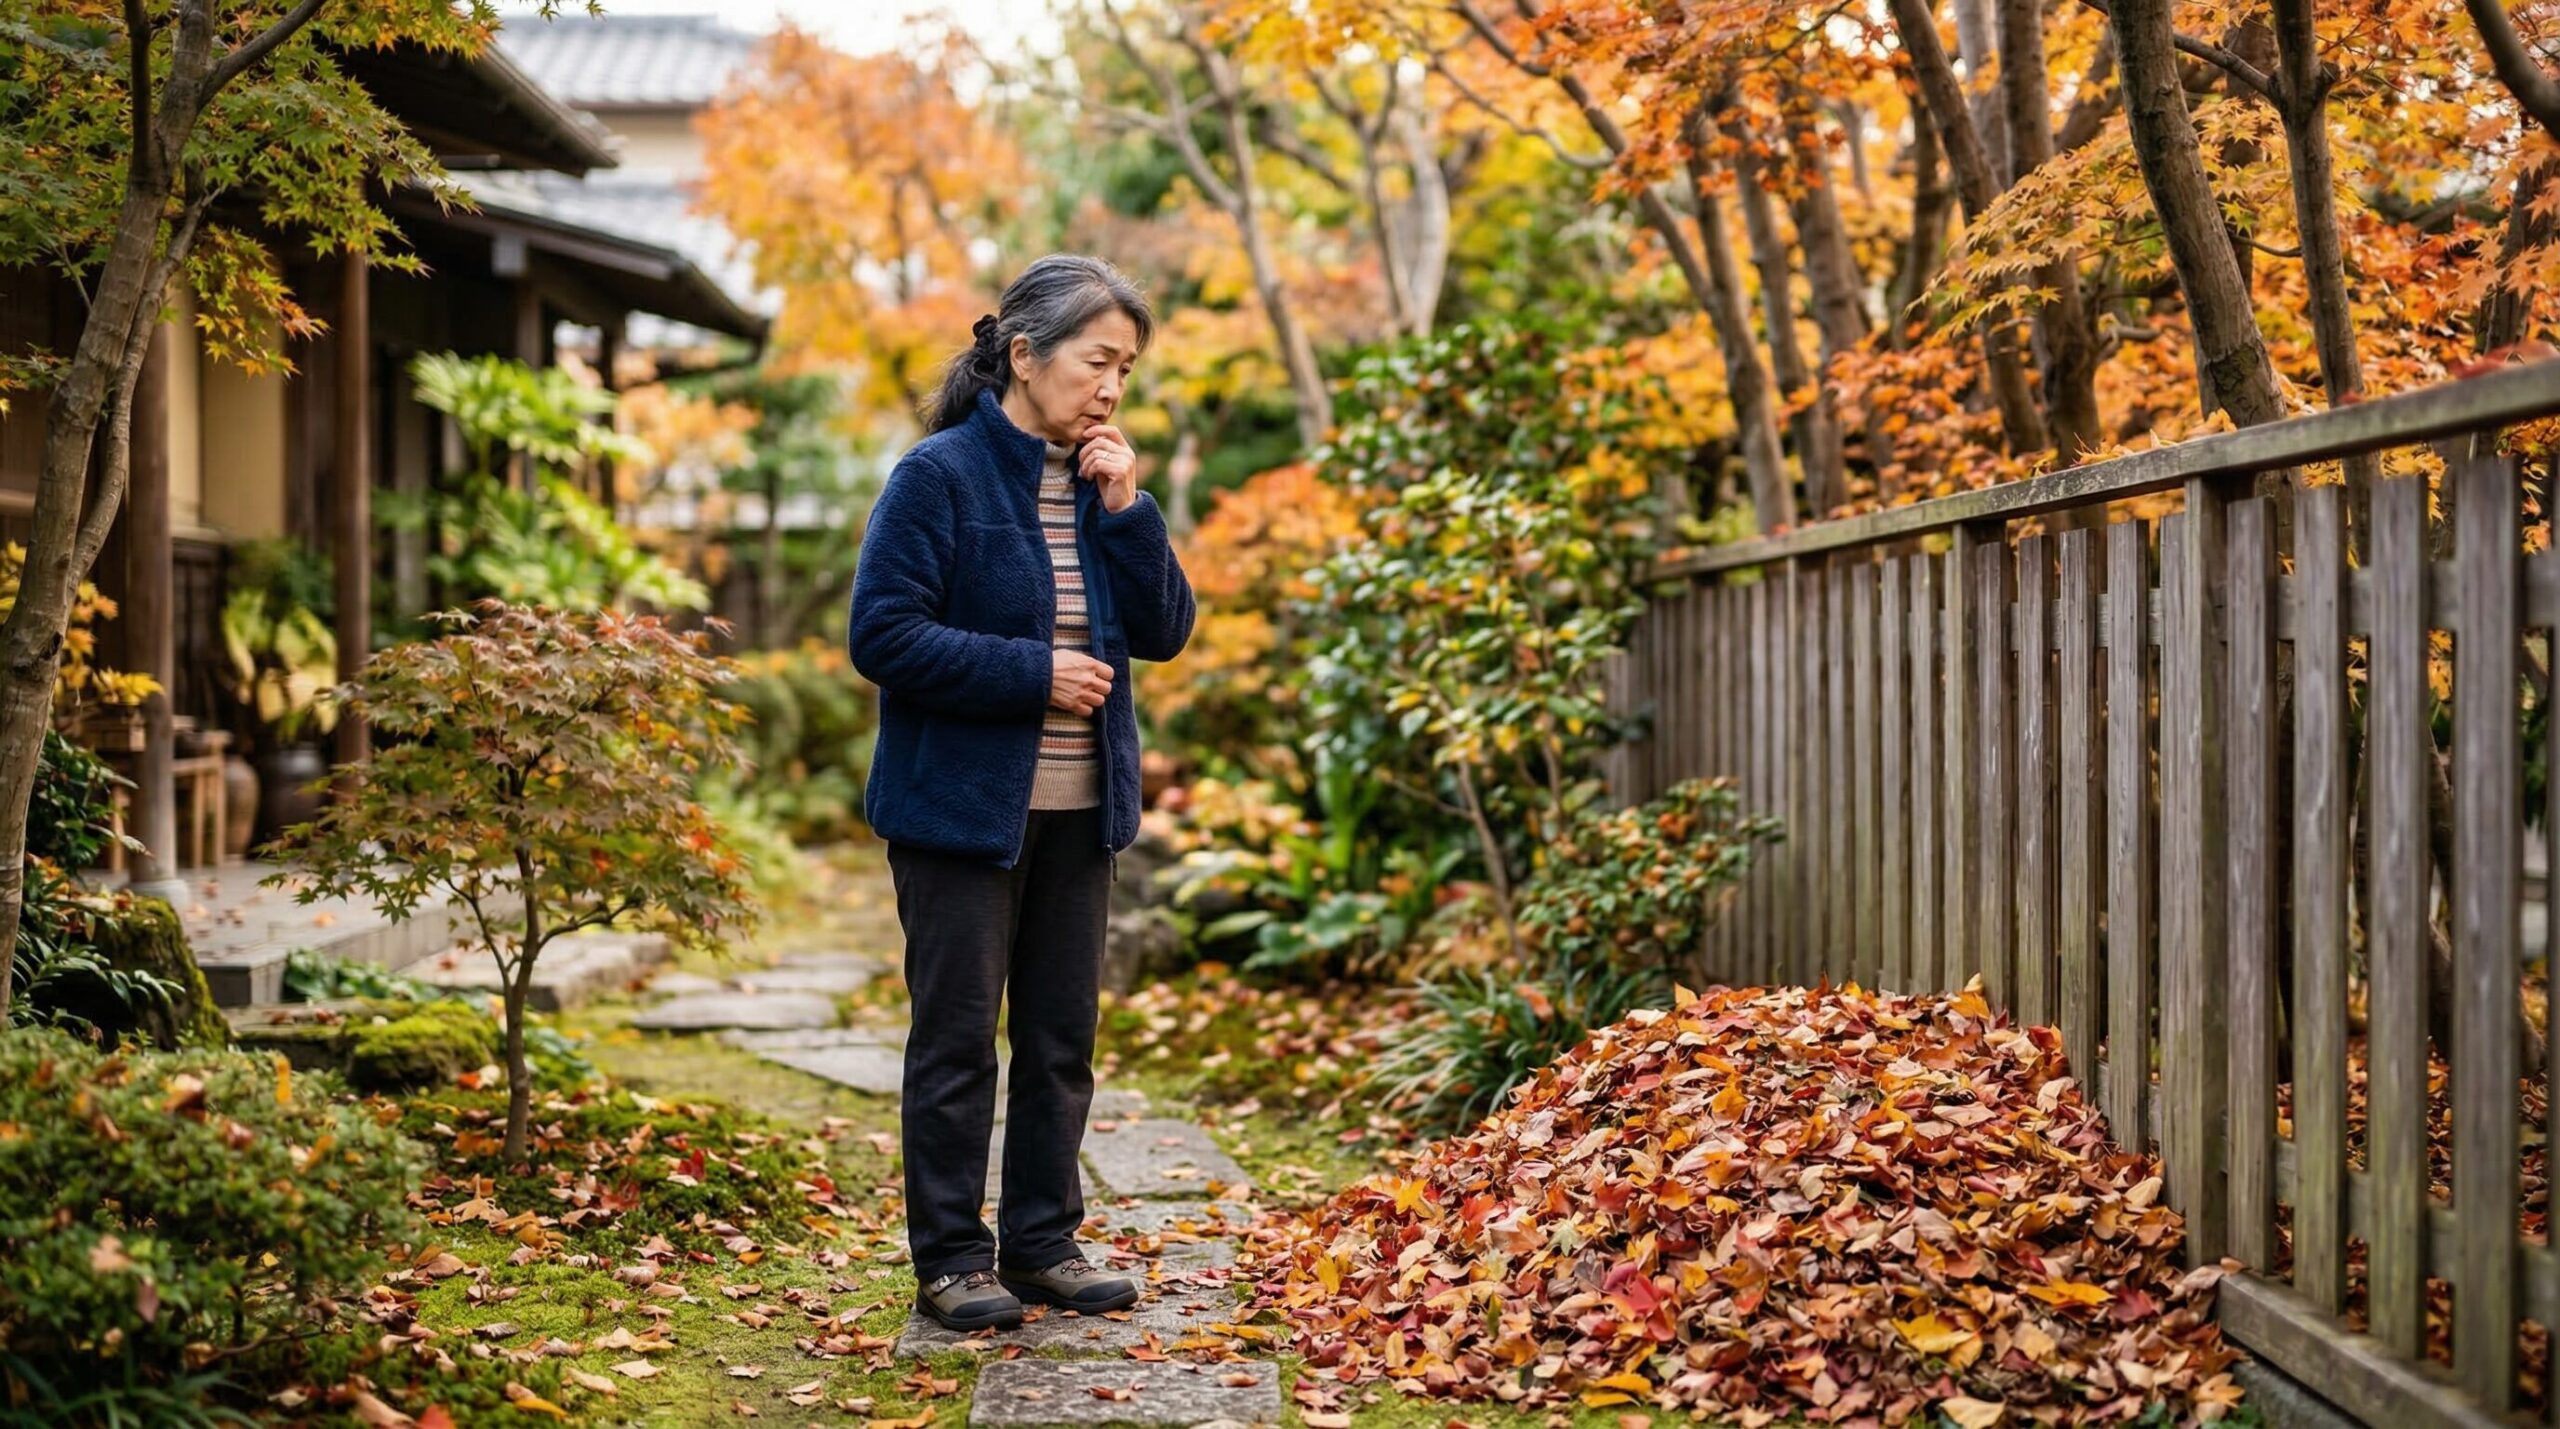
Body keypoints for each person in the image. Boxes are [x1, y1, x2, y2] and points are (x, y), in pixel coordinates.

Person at [848, 254, 1197, 1333]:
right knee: (956, 1041)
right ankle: (952, 1258)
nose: (1111, 387)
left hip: (1079, 809)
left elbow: (1167, 631)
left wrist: (1128, 506)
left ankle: (1042, 1242)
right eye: (1099, 361)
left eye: (1127, 370)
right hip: (958, 812)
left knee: (1058, 1039)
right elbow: (883, 635)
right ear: (1024, 355)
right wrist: (1033, 672)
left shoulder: (1102, 486)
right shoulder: (938, 476)